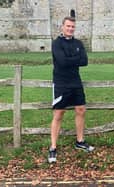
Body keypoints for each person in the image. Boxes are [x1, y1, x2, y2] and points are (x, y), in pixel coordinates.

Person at [48, 16, 94, 164]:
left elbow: (85, 61)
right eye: (68, 26)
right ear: (62, 27)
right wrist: (75, 58)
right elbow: (61, 62)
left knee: (81, 110)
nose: (70, 29)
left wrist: (70, 59)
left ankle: (80, 141)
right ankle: (53, 147)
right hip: (61, 82)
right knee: (59, 113)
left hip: (75, 82)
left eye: (72, 27)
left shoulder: (78, 43)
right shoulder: (56, 44)